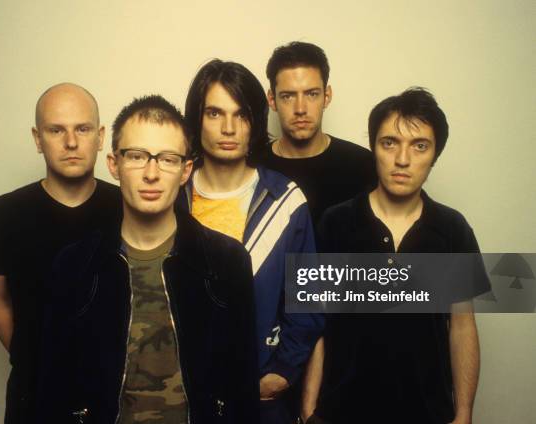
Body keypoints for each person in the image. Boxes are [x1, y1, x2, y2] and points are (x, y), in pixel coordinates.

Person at [35, 95, 260, 423]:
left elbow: (243, 391)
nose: (151, 173)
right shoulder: (74, 265)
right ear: (114, 164)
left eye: (167, 159)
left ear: (185, 170)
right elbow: (51, 391)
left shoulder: (226, 262)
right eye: (137, 156)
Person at [304, 88, 490, 424]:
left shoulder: (452, 230)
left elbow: (462, 327)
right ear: (374, 148)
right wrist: (308, 408)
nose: (402, 159)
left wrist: (463, 415)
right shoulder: (336, 223)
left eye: (419, 145)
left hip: (427, 413)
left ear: (434, 155)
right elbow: (318, 322)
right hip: (341, 412)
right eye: (389, 142)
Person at [180, 59, 323, 424]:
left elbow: (308, 299)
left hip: (261, 399)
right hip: (182, 394)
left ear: (256, 121)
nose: (228, 128)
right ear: (196, 118)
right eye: (214, 113)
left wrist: (283, 370)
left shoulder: (286, 201)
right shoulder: (172, 197)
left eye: (241, 115)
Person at [0, 83, 121, 423]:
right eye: (56, 130)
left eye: (82, 129)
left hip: (116, 393)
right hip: (35, 395)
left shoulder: (128, 207)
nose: (71, 142)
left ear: (100, 137)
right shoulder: (3, 215)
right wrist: (37, 360)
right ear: (38, 138)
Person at [261, 41, 376, 227]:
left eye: (311, 94)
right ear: (272, 100)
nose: (300, 109)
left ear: (327, 96)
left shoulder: (363, 166)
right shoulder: (253, 166)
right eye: (288, 96)